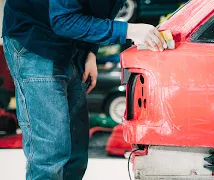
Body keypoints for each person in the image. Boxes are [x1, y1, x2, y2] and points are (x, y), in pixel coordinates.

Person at [2, 0, 167, 179]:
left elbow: (106, 9)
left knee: (76, 151)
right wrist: (129, 30)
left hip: (71, 42)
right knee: (51, 151)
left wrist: (91, 52)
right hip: (35, 39)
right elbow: (63, 20)